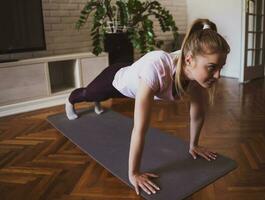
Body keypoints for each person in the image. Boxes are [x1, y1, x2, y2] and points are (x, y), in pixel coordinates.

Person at [65, 18, 230, 196]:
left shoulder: (196, 71)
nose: (218, 75)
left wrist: (194, 145)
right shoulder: (157, 67)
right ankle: (70, 100)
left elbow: (197, 113)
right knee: (89, 94)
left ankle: (95, 101)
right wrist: (133, 173)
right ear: (189, 60)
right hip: (114, 80)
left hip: (134, 79)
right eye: (212, 67)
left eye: (221, 67)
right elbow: (139, 128)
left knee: (96, 97)